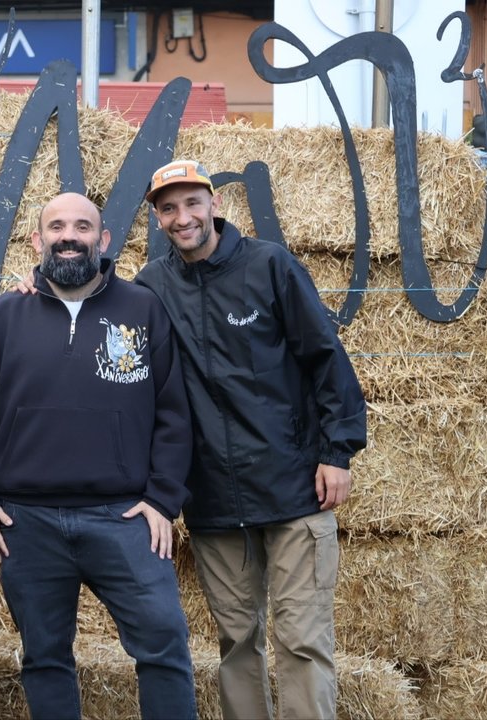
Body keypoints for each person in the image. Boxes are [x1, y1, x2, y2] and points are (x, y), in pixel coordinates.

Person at [136, 159, 367, 720]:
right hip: (213, 496)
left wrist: (338, 452)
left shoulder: (270, 265)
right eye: (169, 208)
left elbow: (325, 358)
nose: (182, 217)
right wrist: (35, 284)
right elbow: (88, 301)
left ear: (215, 204)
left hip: (294, 487)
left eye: (192, 203)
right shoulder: (151, 285)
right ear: (158, 219)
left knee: (302, 639)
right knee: (236, 642)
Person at [0, 191, 198, 720]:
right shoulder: (0, 315)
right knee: (45, 657)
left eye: (83, 227)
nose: (70, 236)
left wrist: (162, 498)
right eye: (58, 226)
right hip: (28, 521)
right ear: (36, 239)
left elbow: (174, 413)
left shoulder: (142, 308)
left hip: (124, 517)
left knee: (163, 643)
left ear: (103, 239)